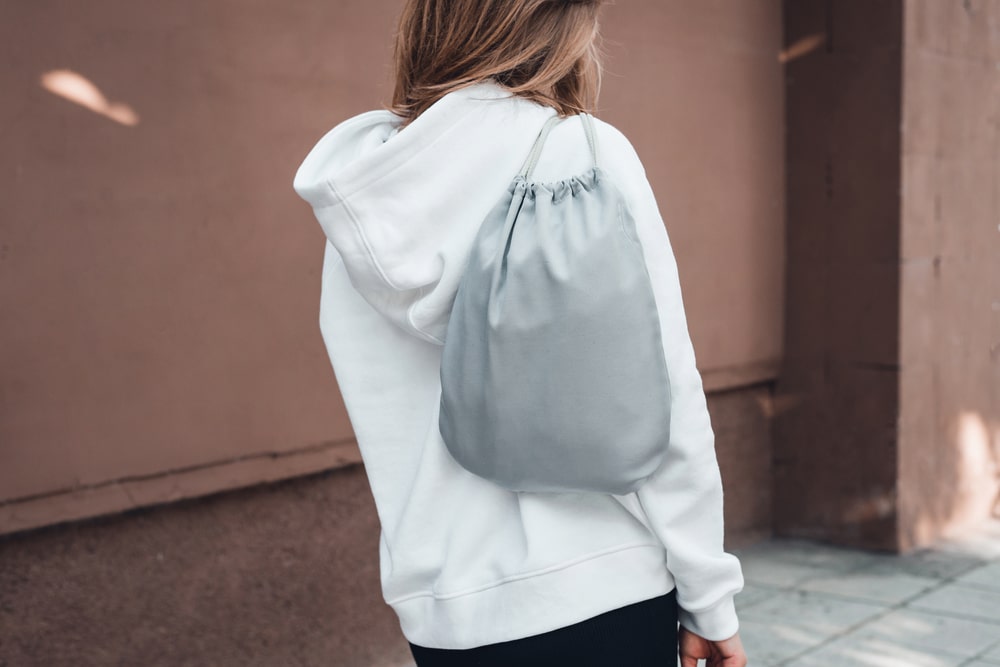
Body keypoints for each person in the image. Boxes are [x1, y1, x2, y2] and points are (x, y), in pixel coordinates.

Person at [293, 1, 748, 665]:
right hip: (600, 587)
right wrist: (710, 592)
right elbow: (666, 393)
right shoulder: (585, 155)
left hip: (443, 611)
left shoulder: (363, 194)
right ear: (559, 27)